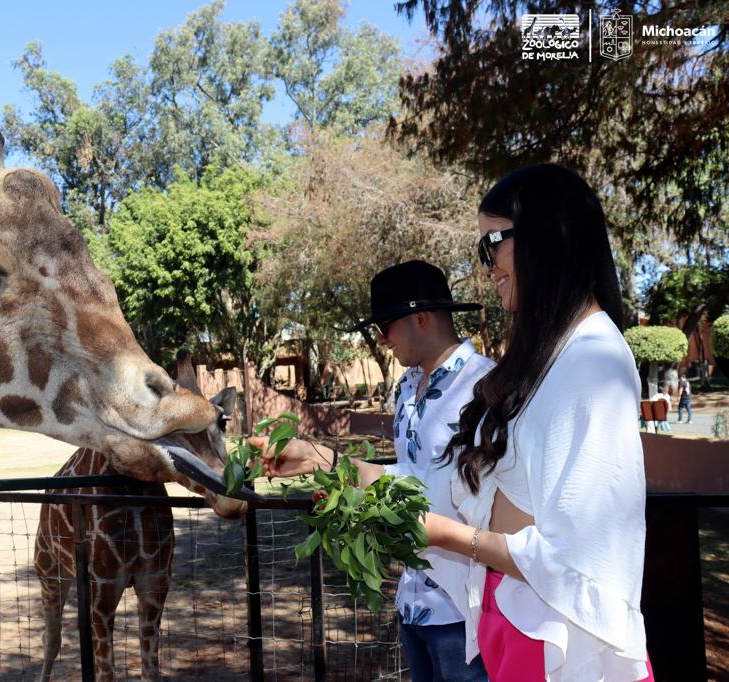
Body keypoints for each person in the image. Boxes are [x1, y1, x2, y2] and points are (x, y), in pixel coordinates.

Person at [422, 164, 652, 680]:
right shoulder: (548, 355)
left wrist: (448, 537)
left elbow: (579, 553)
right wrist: (330, 463)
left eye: (492, 245)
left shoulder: (594, 361)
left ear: (546, 235)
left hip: (558, 641)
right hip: (515, 615)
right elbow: (456, 485)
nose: (488, 268)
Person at [253, 259, 492, 682]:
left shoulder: (488, 388)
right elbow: (406, 479)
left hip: (466, 611)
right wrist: (314, 458)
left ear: (421, 318)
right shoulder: (406, 388)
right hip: (414, 604)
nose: (380, 339)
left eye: (386, 325)